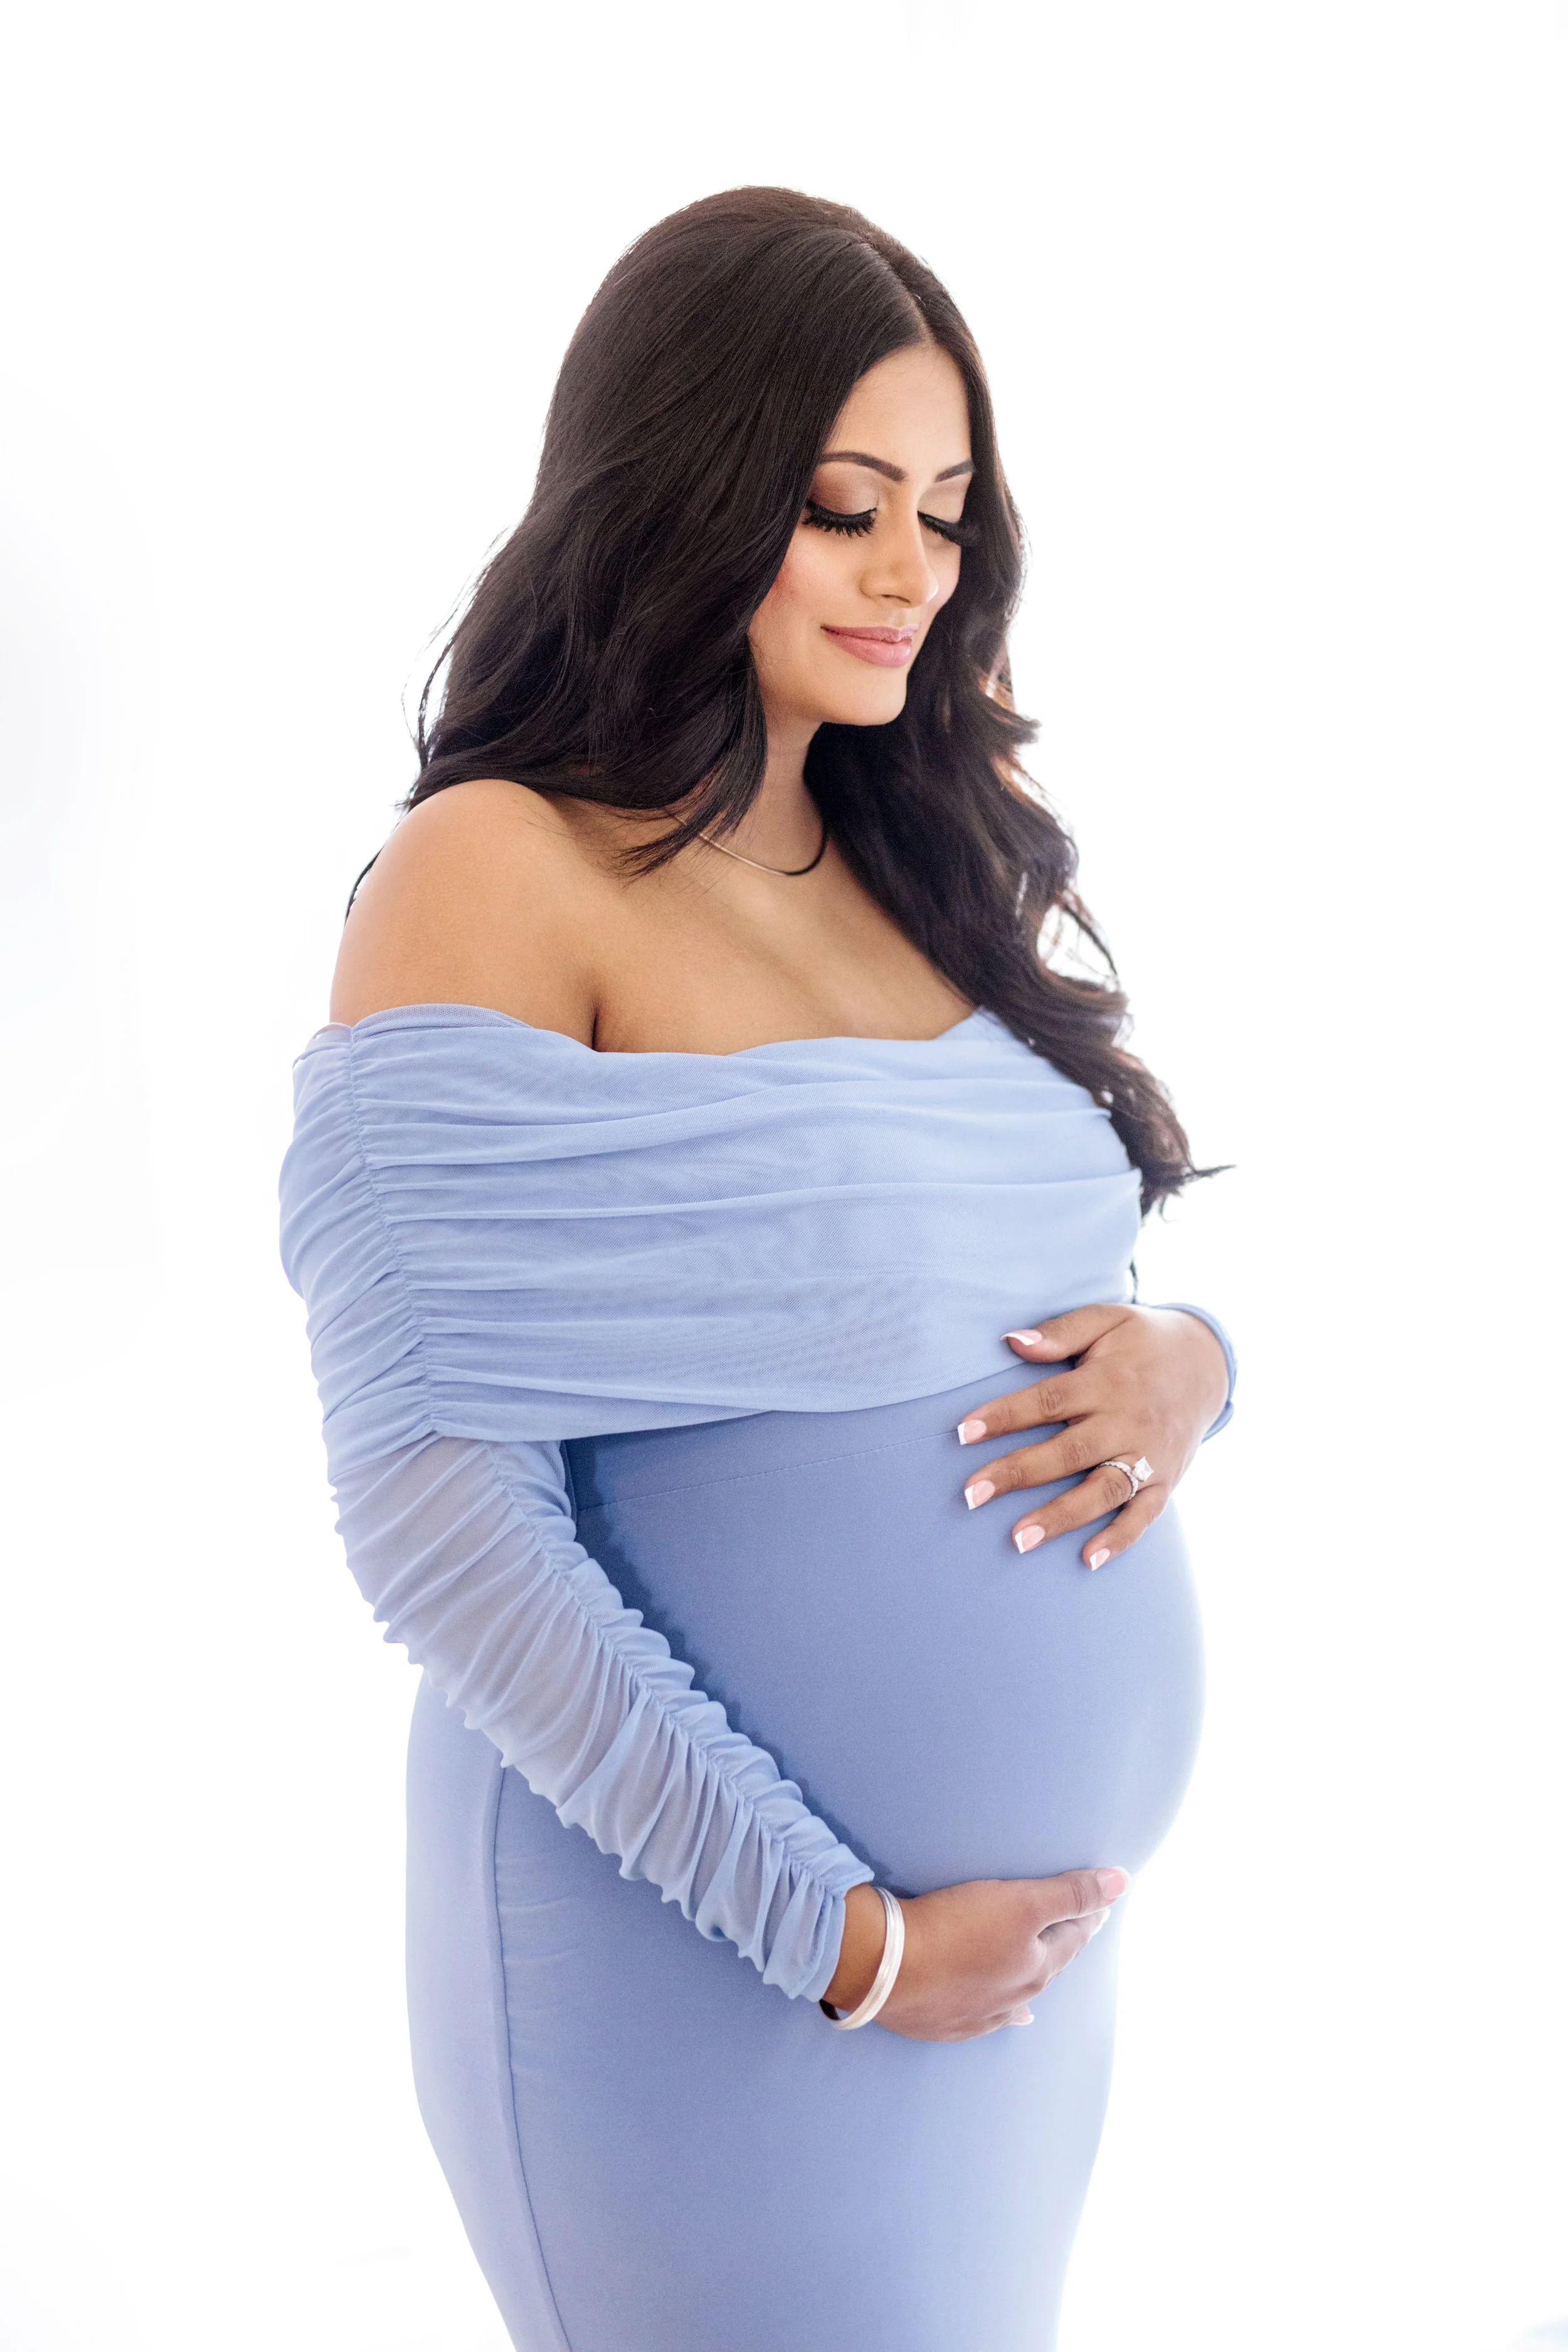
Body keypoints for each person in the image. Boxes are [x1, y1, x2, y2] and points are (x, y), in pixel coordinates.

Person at [280, 186, 1236, 2352]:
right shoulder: (493, 871)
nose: (911, 571)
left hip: (1011, 1991)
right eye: (840, 507)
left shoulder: (914, 861)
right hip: (707, 1957)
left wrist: (1192, 1363)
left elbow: (1047, 1271)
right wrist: (846, 1939)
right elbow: (438, 1516)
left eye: (944, 513)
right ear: (690, 488)